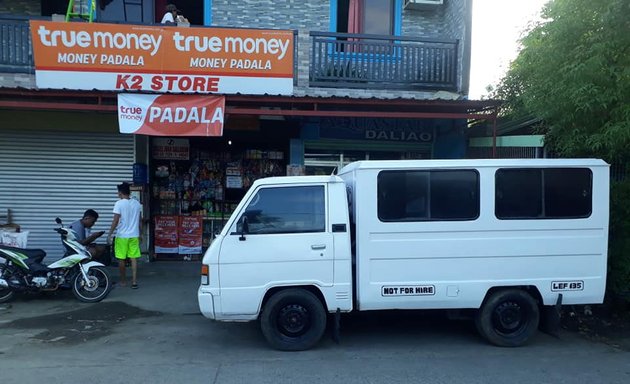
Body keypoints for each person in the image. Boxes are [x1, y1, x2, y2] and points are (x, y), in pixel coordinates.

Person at [107, 182, 142, 289]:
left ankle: (123, 281)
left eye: (118, 192)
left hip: (122, 236)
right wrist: (141, 234)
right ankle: (134, 281)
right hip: (134, 235)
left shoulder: (119, 203)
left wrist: (110, 234)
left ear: (121, 192)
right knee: (134, 258)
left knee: (121, 259)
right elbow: (140, 220)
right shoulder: (137, 203)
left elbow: (115, 220)